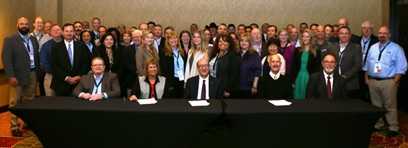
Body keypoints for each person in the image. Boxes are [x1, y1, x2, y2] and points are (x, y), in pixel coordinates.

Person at [363, 26, 407, 135]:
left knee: (390, 106)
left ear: (389, 35)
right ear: (378, 34)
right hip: (373, 81)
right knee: (375, 105)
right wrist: (366, 79)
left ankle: (393, 127)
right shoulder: (373, 47)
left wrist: (395, 81)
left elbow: (402, 66)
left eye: (385, 33)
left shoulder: (396, 48)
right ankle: (379, 124)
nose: (382, 35)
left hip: (389, 82)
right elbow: (367, 65)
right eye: (380, 33)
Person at [2, 17, 40, 136]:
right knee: (15, 102)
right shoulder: (10, 40)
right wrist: (11, 76)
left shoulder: (33, 39)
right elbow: (6, 59)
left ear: (29, 26)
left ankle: (26, 123)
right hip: (17, 76)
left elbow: (36, 56)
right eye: (21, 24)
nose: (24, 26)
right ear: (17, 25)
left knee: (29, 100)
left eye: (26, 24)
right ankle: (14, 126)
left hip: (32, 73)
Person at [51, 23, 90, 96]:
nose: (69, 33)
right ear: (62, 32)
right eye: (67, 31)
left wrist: (79, 76)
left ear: (74, 32)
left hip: (79, 84)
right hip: (61, 84)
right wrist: (66, 78)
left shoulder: (81, 46)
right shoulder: (56, 48)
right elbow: (54, 66)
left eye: (71, 31)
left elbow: (86, 63)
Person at [335, 26, 362, 99]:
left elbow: (357, 66)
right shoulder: (333, 47)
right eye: (341, 33)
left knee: (349, 107)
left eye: (346, 33)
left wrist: (345, 76)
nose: (344, 35)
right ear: (338, 35)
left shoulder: (356, 47)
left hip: (350, 83)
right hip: (335, 83)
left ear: (350, 35)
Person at [292, 31, 320, 100]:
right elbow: (294, 66)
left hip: (310, 78)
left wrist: (315, 81)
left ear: (311, 38)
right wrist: (293, 80)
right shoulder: (297, 50)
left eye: (307, 36)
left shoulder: (316, 51)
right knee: (297, 98)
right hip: (298, 77)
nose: (305, 38)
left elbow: (317, 68)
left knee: (308, 99)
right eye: (303, 36)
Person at [159, 31, 186, 98]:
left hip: (181, 80)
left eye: (175, 38)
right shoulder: (164, 52)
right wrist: (168, 84)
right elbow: (164, 70)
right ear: (167, 41)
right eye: (171, 38)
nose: (173, 40)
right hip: (171, 81)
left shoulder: (182, 51)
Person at [40, 24, 62, 96]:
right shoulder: (46, 46)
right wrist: (56, 72)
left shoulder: (66, 44)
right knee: (50, 99)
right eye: (53, 30)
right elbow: (43, 63)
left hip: (65, 78)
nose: (56, 31)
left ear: (61, 31)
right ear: (50, 33)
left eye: (58, 30)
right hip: (50, 76)